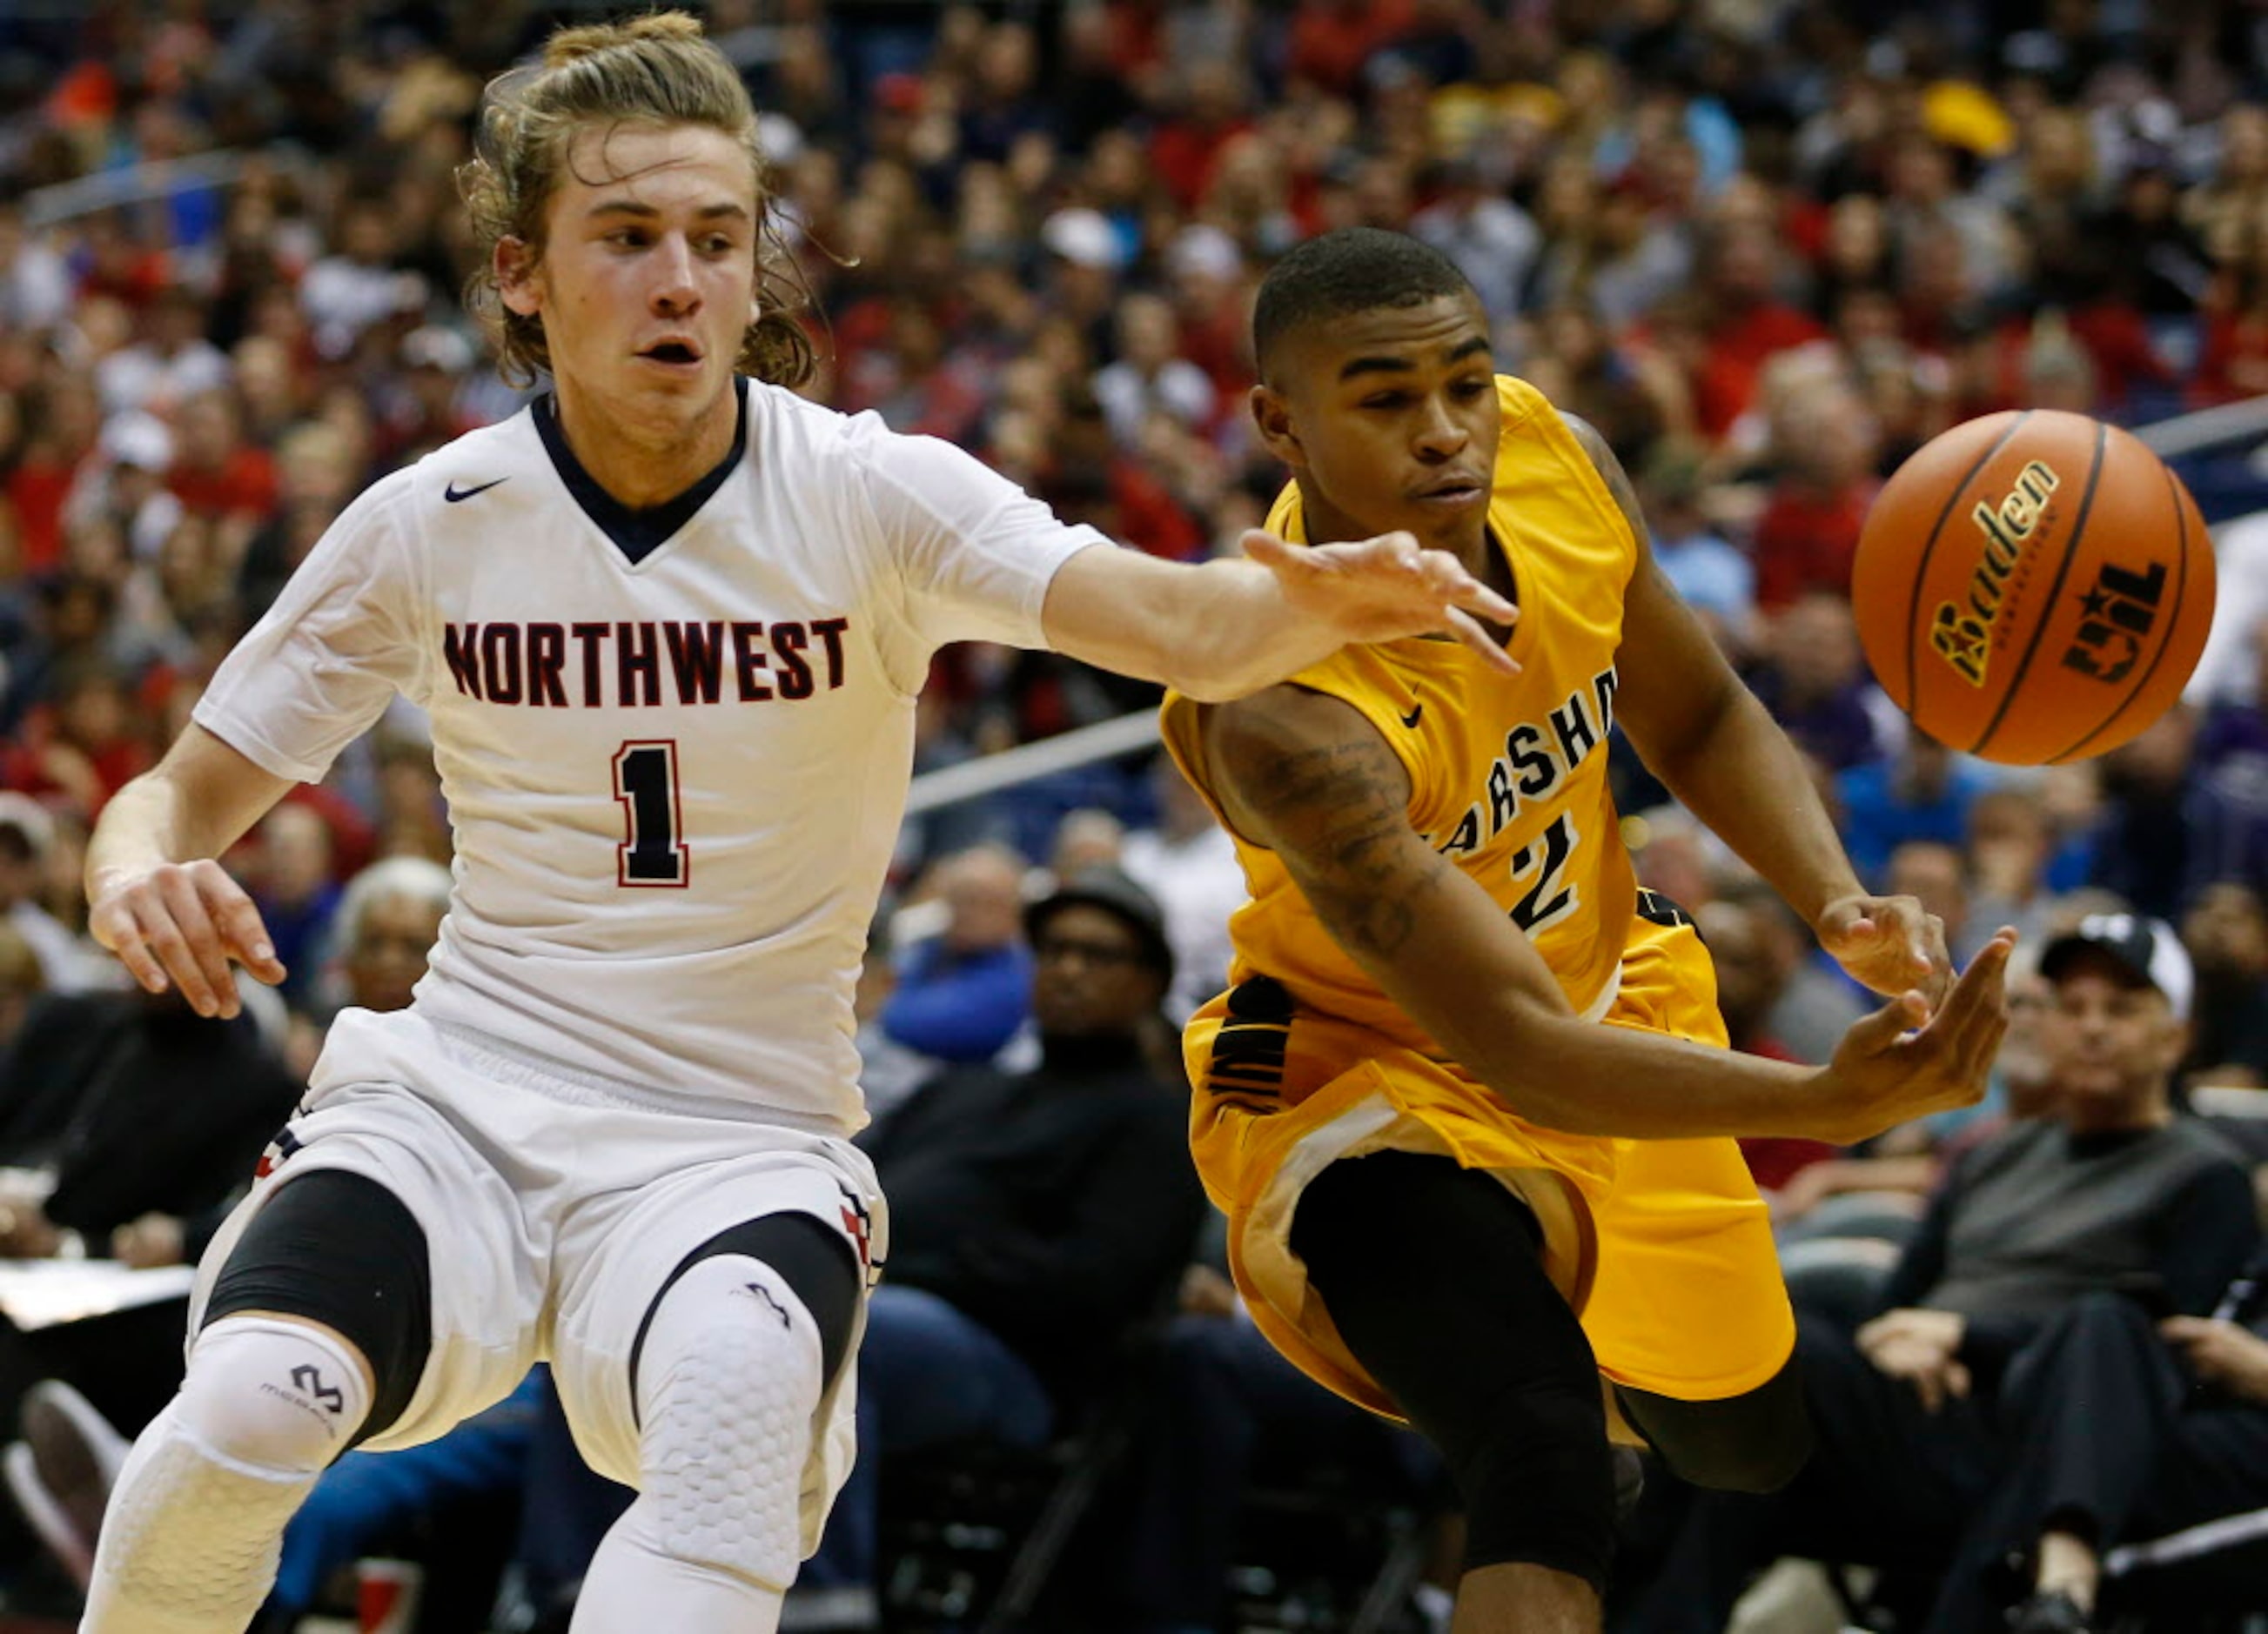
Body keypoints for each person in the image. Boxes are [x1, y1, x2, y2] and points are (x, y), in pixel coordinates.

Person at [69, 22, 1522, 1634]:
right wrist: (137, 865)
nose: (682, 279)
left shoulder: (870, 494)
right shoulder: (435, 517)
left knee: (731, 1451)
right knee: (248, 1411)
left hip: (737, 1135)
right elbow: (174, 793)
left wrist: (1293, 605)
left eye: (717, 238)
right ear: (523, 273)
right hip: (463, 1097)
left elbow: (1179, 625)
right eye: (626, 239)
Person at [1155, 227, 2016, 1634]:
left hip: (1617, 999)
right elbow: (1518, 1050)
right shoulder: (1279, 703)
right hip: (1369, 1072)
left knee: (1745, 1444)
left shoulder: (1553, 457)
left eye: (1466, 383)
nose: (1446, 433)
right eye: (1383, 399)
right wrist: (1827, 1097)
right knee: (1543, 1447)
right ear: (1278, 421)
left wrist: (1834, 896)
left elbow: (1699, 711)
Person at [1621, 913, 2260, 1634]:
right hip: (1915, 1403)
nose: (2091, 1028)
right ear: (2041, 1026)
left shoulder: (2207, 1176)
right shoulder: (1991, 1155)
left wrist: (1962, 1335)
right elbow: (1895, 1304)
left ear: (2175, 1035)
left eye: (2121, 1009)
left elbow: (2159, 1341)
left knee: (1795, 1381)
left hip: (2040, 1430)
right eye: (2072, 1007)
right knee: (1758, 1358)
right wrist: (1896, 1336)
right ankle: (1622, 1609)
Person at [792, 867, 1204, 1628]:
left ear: (1150, 984)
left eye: (1098, 955)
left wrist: (903, 1266)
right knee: (658, 1312)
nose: (1070, 969)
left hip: (1007, 1368)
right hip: (878, 1306)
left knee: (825, 1331)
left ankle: (821, 1609)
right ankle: (571, 1592)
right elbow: (834, 1184)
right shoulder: (960, 1090)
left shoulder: (1153, 1124)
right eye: (1055, 950)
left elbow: (1087, 1288)